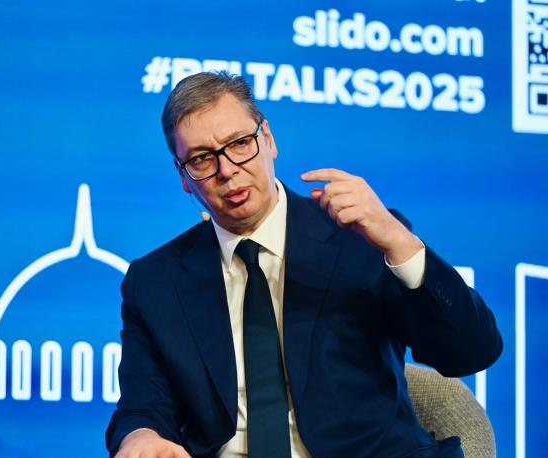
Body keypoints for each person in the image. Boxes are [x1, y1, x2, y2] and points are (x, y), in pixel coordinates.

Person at [105, 71, 502, 457]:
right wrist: (140, 436)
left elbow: (471, 352)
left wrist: (400, 242)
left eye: (240, 144)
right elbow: (142, 405)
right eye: (202, 159)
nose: (227, 170)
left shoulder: (359, 239)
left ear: (268, 138)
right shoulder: (156, 281)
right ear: (183, 176)